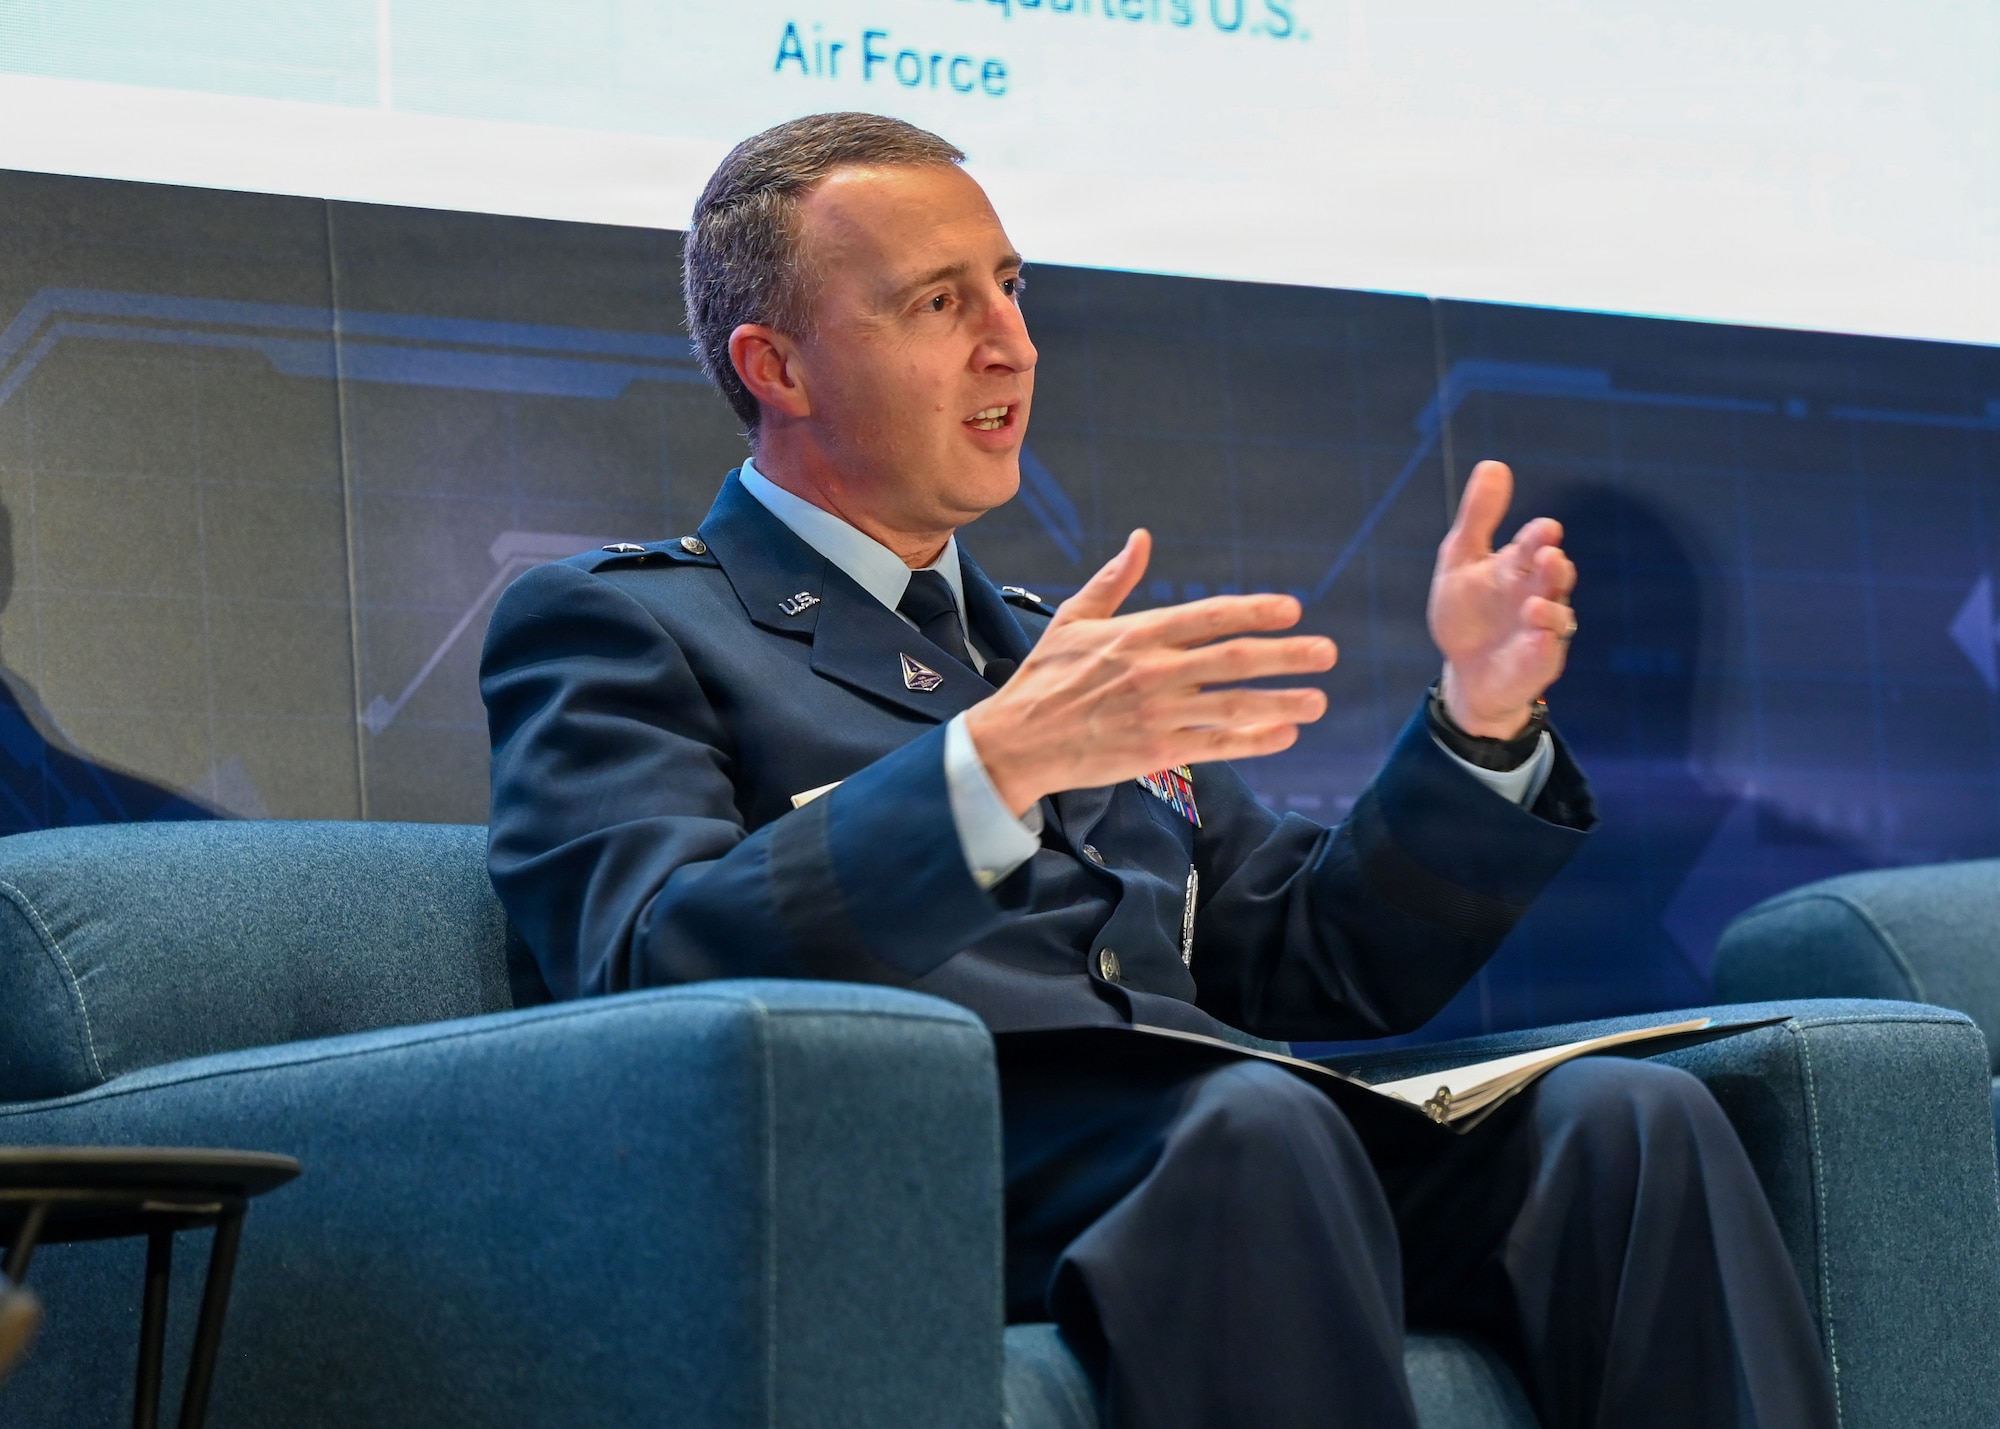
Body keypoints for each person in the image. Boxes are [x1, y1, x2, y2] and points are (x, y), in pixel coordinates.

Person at [482, 112, 1838, 1428]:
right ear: (777, 367)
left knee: (1629, 1127)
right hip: (918, 1166)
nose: (1010, 343)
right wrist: (987, 769)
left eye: (1010, 289)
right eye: (939, 303)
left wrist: (1478, 728)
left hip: (1214, 1148)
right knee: (1251, 1122)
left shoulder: (1052, 644)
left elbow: (1312, 960)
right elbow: (648, 962)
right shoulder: (626, 624)